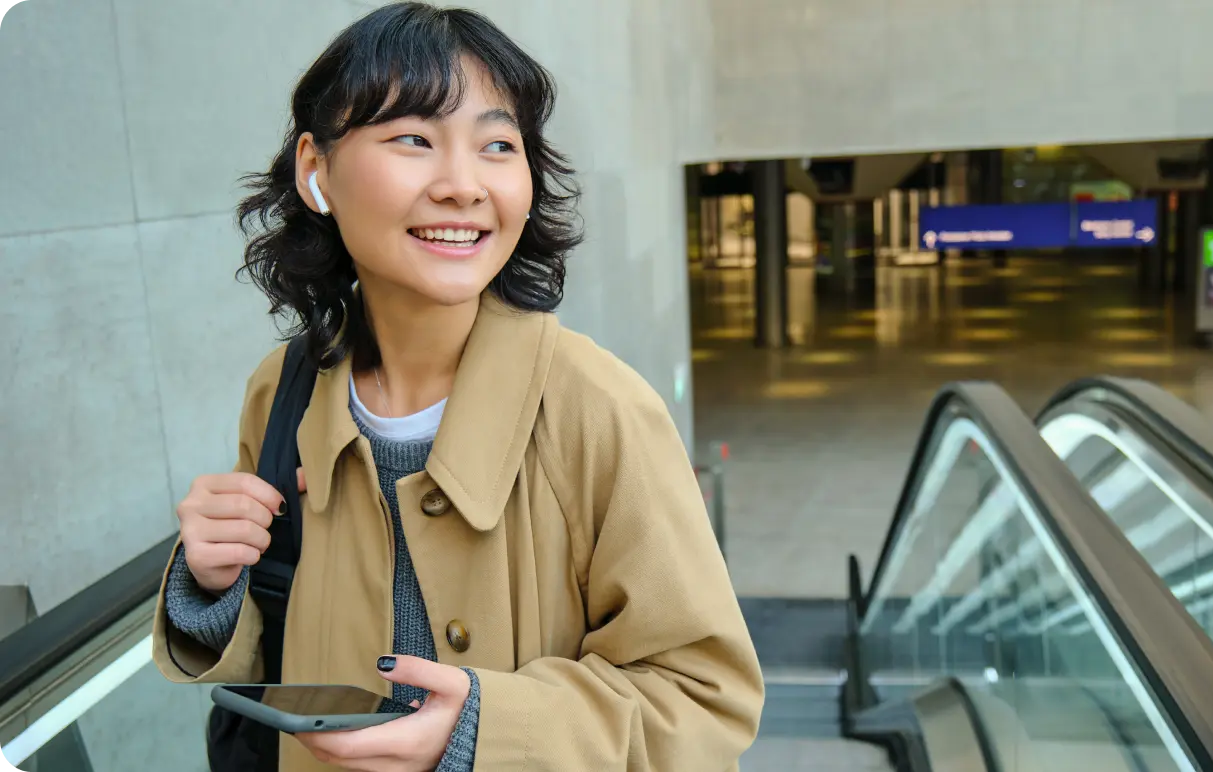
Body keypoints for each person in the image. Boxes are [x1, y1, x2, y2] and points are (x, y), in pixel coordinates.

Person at [149, 3, 764, 771]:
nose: (464, 185)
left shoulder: (599, 411)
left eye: (498, 145)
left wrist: (481, 731)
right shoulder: (284, 392)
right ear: (316, 170)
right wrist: (210, 586)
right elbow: (278, 648)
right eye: (413, 138)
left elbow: (705, 698)